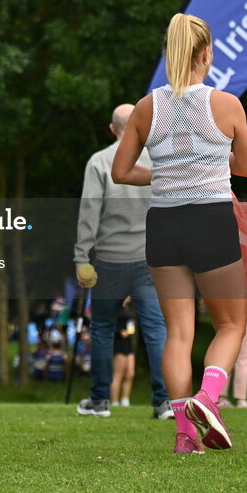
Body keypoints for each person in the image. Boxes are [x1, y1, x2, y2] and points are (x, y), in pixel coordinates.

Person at [111, 13, 247, 454]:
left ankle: (183, 436)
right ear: (206, 54)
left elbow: (120, 171)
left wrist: (166, 176)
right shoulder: (227, 104)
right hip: (210, 219)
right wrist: (208, 166)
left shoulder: (145, 108)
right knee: (232, 323)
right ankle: (208, 399)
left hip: (164, 224)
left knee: (178, 333)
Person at [74, 103, 171, 420]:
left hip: (109, 260)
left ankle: (100, 401)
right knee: (156, 330)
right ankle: (163, 402)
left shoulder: (99, 162)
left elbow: (89, 214)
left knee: (102, 329)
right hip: (150, 259)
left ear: (112, 129)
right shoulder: (159, 159)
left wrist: (81, 257)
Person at [218, 291, 247, 409]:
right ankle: (241, 399)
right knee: (241, 358)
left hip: (227, 314)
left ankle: (222, 396)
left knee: (226, 356)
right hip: (245, 313)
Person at [111, 301, 136, 407]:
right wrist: (120, 331)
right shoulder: (114, 307)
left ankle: (125, 400)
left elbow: (130, 324)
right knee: (118, 374)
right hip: (119, 342)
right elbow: (110, 324)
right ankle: (115, 401)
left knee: (130, 373)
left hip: (128, 342)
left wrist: (129, 331)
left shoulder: (127, 308)